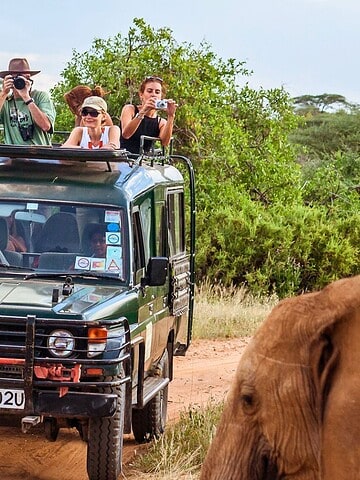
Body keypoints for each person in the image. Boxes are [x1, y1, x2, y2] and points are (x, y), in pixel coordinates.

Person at [0, 58, 56, 145]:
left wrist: (26, 97)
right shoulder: (6, 101)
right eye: (16, 78)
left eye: (24, 77)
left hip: (39, 155)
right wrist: (3, 93)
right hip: (13, 155)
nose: (20, 81)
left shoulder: (40, 97)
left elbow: (46, 126)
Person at [120, 75, 177, 154]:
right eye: (149, 91)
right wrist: (143, 112)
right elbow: (126, 134)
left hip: (143, 162)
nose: (153, 95)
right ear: (141, 95)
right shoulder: (130, 109)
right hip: (123, 158)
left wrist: (171, 116)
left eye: (157, 92)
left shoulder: (161, 122)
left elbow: (165, 143)